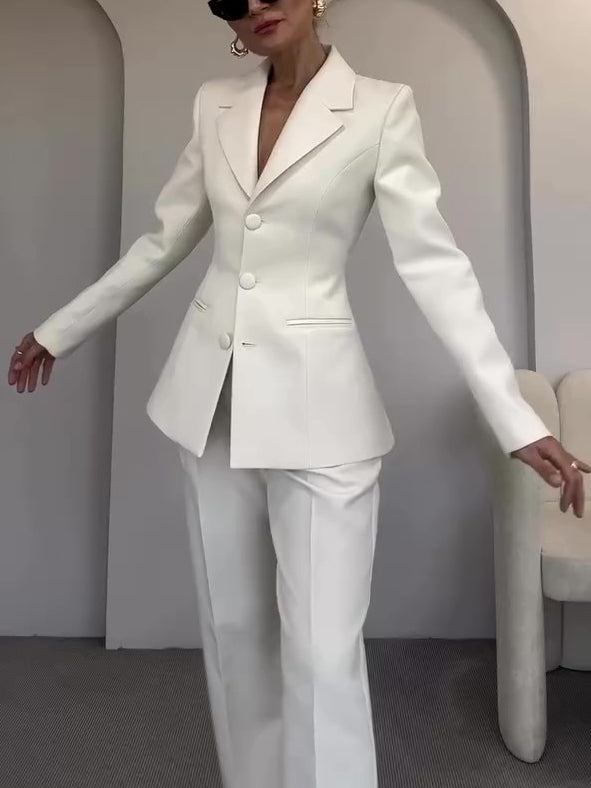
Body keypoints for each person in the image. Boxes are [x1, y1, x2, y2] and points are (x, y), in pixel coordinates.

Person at [7, 1, 590, 786]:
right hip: (210, 406)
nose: (254, 5)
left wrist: (513, 418)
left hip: (323, 414)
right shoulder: (215, 104)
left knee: (321, 652)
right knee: (236, 634)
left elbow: (435, 269)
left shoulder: (380, 108)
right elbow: (163, 239)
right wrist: (61, 329)